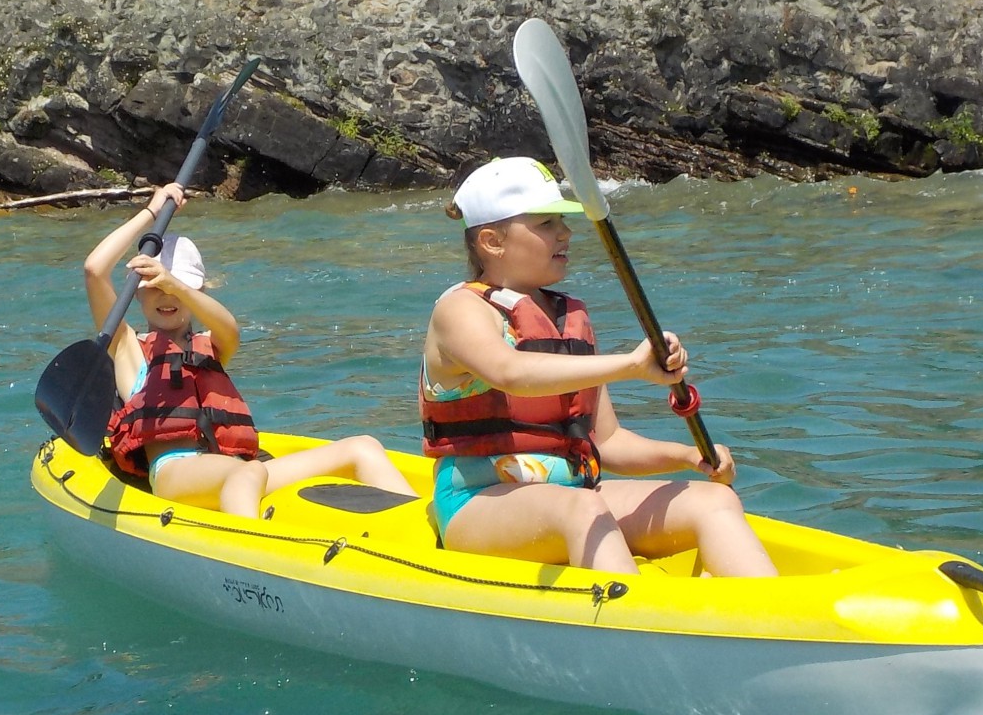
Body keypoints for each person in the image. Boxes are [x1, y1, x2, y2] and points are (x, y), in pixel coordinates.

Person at [418, 157, 778, 578]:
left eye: (563, 221)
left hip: (574, 493)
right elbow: (510, 373)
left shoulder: (565, 317)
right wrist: (631, 366)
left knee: (713, 501)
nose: (565, 233)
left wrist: (687, 455)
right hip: (478, 503)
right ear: (492, 241)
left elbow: (607, 441)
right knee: (583, 508)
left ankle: (769, 611)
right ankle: (640, 616)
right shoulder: (460, 310)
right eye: (546, 223)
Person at [84, 184, 414, 519]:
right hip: (177, 473)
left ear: (197, 290)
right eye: (154, 287)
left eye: (177, 288)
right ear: (137, 294)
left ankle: (426, 538)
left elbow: (230, 327)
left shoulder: (213, 344)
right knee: (247, 472)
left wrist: (174, 283)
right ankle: (250, 546)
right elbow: (95, 270)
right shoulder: (128, 349)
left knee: (362, 448)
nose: (167, 297)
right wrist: (152, 211)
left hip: (239, 470)